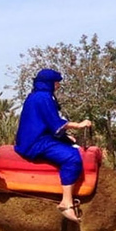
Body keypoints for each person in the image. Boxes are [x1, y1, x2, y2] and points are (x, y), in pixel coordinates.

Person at [15, 69, 92, 222]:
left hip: (39, 137)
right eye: (56, 82)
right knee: (72, 158)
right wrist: (79, 125)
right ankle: (67, 202)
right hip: (36, 142)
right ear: (49, 83)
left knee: (71, 144)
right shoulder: (43, 97)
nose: (58, 85)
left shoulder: (38, 95)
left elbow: (47, 124)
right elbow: (54, 122)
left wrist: (65, 136)